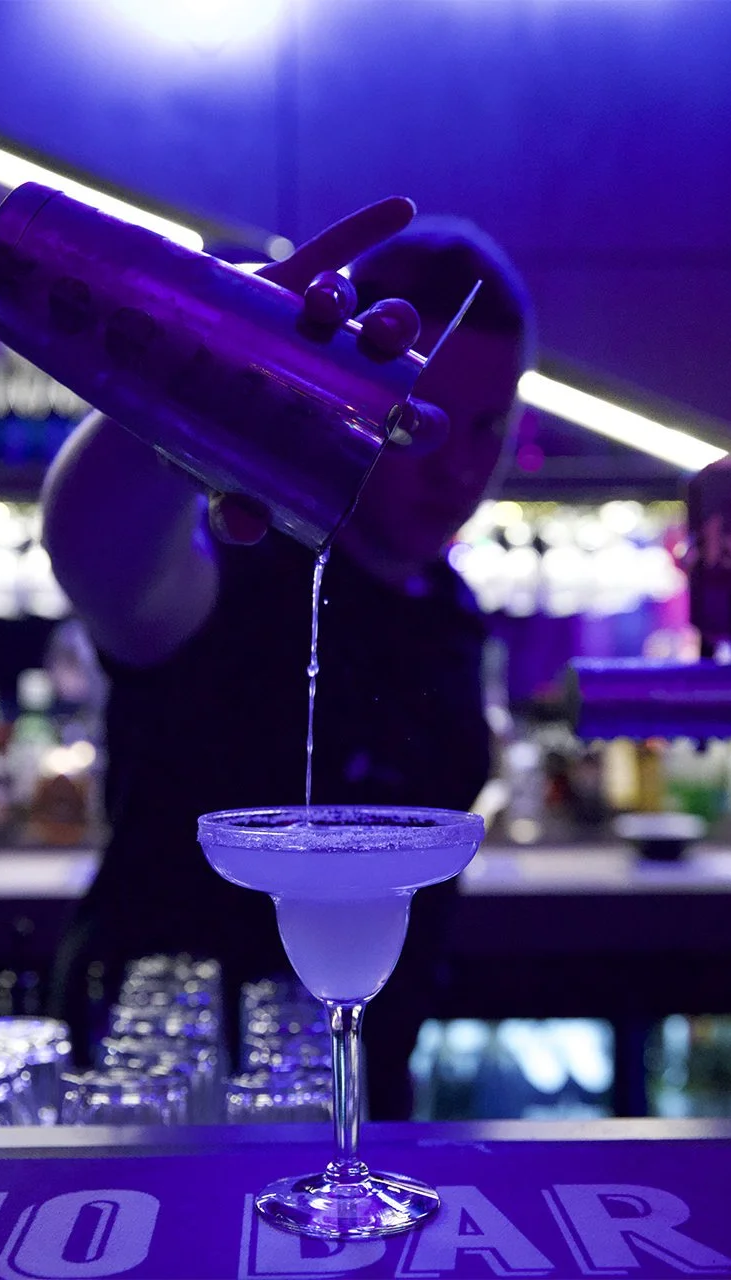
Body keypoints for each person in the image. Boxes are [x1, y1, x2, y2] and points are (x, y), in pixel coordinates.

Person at [43, 196, 534, 1119]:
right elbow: (93, 550)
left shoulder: (449, 612)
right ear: (353, 392)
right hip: (158, 1104)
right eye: (422, 417)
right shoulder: (249, 551)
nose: (456, 467)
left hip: (359, 1107)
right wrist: (202, 367)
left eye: (487, 427)